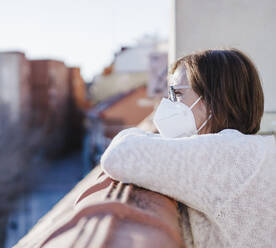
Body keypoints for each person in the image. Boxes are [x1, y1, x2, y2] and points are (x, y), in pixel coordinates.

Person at [100, 48, 276, 248]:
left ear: (213, 101)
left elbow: (120, 155)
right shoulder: (250, 149)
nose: (167, 104)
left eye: (177, 93)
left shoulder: (227, 154)